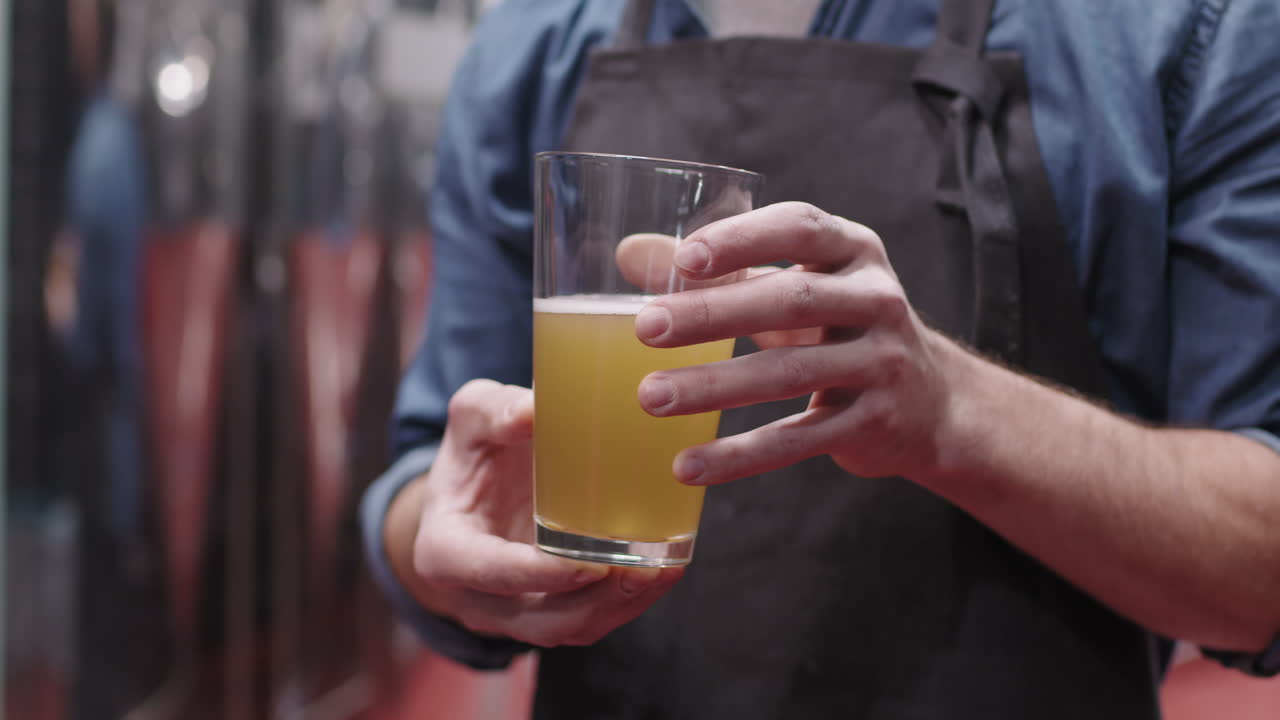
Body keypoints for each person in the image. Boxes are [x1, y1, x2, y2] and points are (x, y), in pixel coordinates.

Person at [362, 0, 1280, 717]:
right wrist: (447, 541)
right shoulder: (532, 45)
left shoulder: (1177, 30)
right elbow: (421, 478)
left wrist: (952, 411)